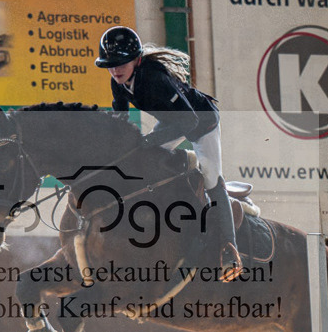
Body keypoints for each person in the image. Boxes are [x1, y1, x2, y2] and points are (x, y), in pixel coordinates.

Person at [94, 25, 241, 281]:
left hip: (201, 122)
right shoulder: (117, 81)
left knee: (210, 177)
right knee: (140, 160)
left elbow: (189, 123)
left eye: (121, 63)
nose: (115, 70)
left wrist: (147, 141)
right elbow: (121, 117)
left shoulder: (154, 78)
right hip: (174, 121)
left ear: (136, 60)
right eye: (111, 64)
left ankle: (229, 248)